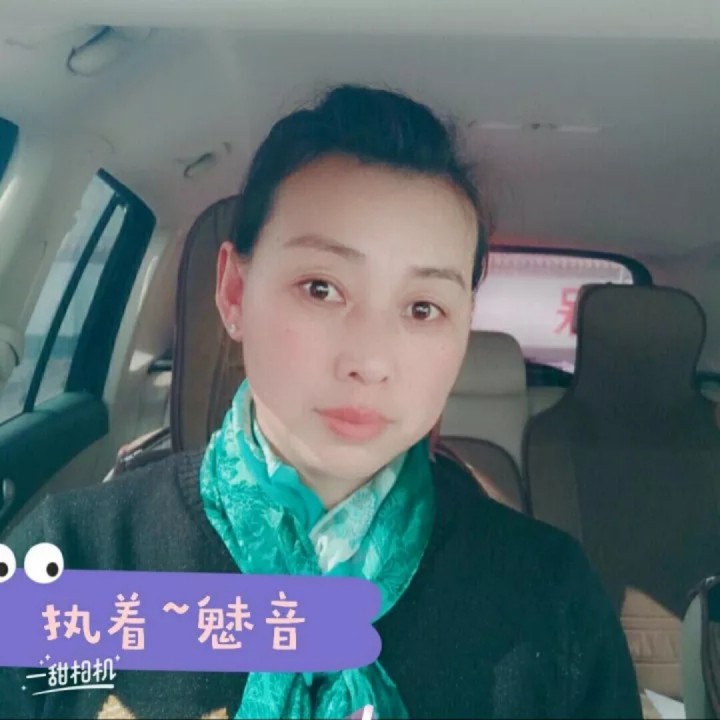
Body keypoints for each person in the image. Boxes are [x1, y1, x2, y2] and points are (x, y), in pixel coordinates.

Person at [0, 84, 641, 719]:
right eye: (321, 288)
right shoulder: (71, 563)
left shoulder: (550, 599)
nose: (369, 361)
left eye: (423, 308)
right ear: (233, 292)